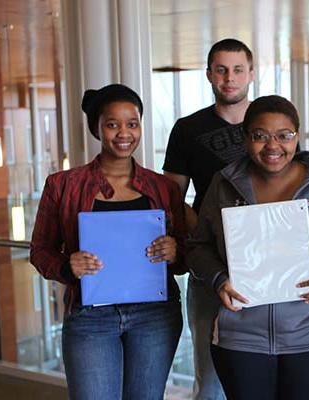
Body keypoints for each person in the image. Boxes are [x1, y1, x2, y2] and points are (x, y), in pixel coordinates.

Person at [188, 95, 309, 400]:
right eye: (260, 136)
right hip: (241, 340)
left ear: (297, 137)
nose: (273, 146)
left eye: (284, 136)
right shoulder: (224, 184)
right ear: (245, 138)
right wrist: (218, 279)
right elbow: (198, 248)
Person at [30, 84, 187, 399]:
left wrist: (175, 251)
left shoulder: (163, 187)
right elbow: (40, 251)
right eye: (112, 124)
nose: (124, 133)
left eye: (132, 123)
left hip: (154, 316)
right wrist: (66, 265)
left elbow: (186, 254)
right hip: (91, 318)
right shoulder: (63, 185)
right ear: (97, 128)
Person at [162, 38, 254, 400]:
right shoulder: (187, 129)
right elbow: (172, 195)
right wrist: (201, 229)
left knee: (262, 372)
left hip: (265, 264)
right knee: (210, 377)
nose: (229, 78)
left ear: (251, 73)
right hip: (209, 265)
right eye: (221, 70)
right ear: (208, 74)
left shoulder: (268, 124)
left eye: (237, 70)